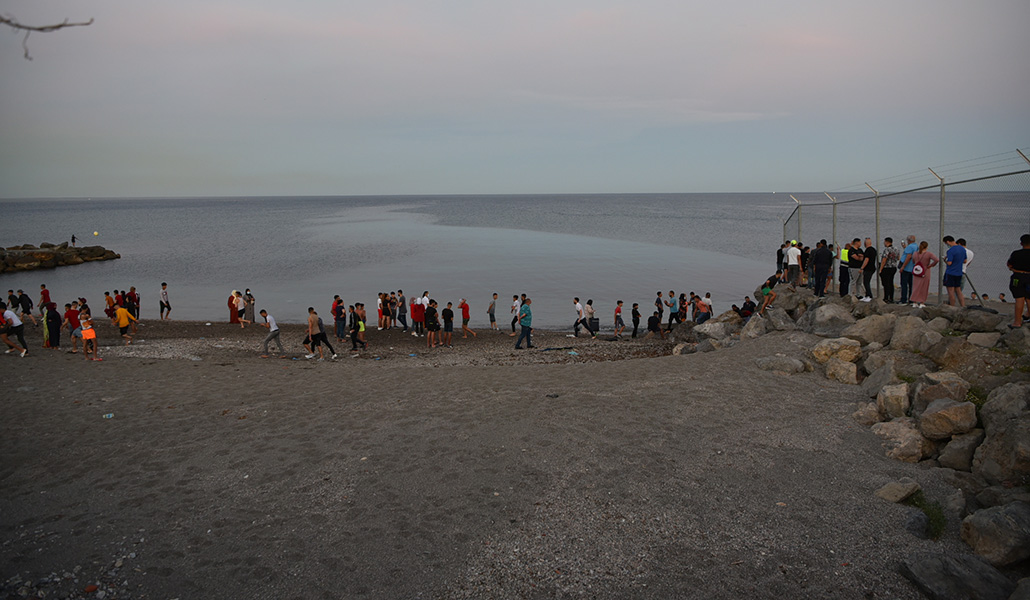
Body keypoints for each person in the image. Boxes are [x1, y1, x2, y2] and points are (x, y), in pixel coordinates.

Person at [1005, 233, 1030, 329]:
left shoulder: (1016, 254)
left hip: (1018, 277)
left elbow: (1009, 265)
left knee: (1019, 299)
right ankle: (1028, 315)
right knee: (1029, 298)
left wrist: (1013, 269)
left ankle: (1017, 322)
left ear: (1021, 243)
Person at [909, 241, 939, 307]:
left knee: (916, 287)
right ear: (926, 247)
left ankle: (914, 302)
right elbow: (936, 260)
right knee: (924, 287)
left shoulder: (915, 253)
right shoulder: (929, 254)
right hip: (925, 270)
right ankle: (922, 302)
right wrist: (931, 265)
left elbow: (913, 261)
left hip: (917, 271)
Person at [943, 235, 966, 307]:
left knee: (951, 292)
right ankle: (963, 306)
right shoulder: (962, 249)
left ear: (948, 242)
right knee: (958, 290)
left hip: (950, 272)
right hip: (959, 272)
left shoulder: (950, 251)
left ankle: (952, 307)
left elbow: (949, 262)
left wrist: (945, 260)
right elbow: (965, 261)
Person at [898, 235, 919, 305]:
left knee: (904, 284)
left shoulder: (910, 247)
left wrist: (903, 267)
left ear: (909, 240)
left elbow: (908, 257)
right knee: (911, 284)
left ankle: (903, 299)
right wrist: (905, 247)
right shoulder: (916, 246)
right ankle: (911, 299)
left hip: (907, 268)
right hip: (913, 268)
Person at [879, 237, 900, 303]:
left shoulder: (887, 250)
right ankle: (891, 297)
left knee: (886, 283)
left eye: (884, 242)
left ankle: (886, 297)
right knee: (891, 282)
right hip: (893, 267)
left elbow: (884, 260)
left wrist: (880, 269)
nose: (884, 243)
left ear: (887, 242)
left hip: (887, 267)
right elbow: (898, 258)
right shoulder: (896, 249)